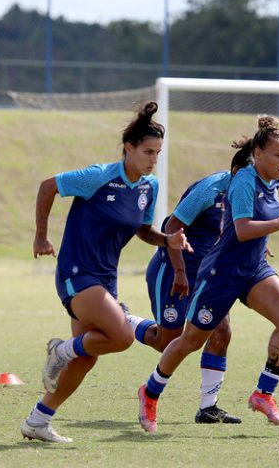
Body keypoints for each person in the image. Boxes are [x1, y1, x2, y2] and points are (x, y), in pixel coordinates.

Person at [21, 101, 192, 444]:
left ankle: (38, 420)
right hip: (76, 273)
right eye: (147, 152)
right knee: (122, 337)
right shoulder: (99, 177)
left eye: (157, 153)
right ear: (128, 149)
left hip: (105, 279)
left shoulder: (149, 187)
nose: (152, 160)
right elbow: (47, 186)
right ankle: (62, 350)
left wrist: (167, 239)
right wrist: (41, 235)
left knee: (87, 358)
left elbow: (143, 231)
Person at [137, 115, 279, 433]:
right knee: (184, 340)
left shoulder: (272, 183)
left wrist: (265, 243)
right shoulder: (237, 182)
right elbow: (241, 228)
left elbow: (249, 225)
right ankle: (149, 392)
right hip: (217, 272)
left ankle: (260, 395)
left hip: (252, 270)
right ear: (256, 155)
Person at [125, 143, 253, 425]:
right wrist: (180, 271)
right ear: (237, 171)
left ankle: (208, 407)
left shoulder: (251, 193)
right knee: (168, 342)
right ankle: (125, 320)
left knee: (221, 332)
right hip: (173, 269)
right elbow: (172, 227)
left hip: (210, 276)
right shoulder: (211, 188)